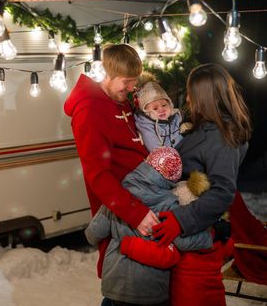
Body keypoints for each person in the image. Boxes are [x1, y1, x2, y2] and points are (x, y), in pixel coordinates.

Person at [151, 63, 252, 306]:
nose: (187, 98)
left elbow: (222, 191)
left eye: (191, 93)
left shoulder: (220, 137)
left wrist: (180, 220)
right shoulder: (203, 130)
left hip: (197, 245)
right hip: (189, 244)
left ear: (203, 97)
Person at [64, 44, 159, 282]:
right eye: (126, 81)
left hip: (144, 198)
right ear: (106, 74)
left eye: (134, 81)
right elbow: (97, 175)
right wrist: (135, 213)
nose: (131, 87)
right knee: (123, 280)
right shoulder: (88, 110)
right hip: (122, 213)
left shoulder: (118, 97)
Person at [84, 146, 213, 306]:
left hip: (116, 285)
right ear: (173, 180)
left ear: (147, 162)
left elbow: (93, 233)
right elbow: (183, 241)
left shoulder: (120, 195)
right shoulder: (169, 206)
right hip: (150, 289)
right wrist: (209, 236)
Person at [135, 81, 183, 152]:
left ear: (170, 104)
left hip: (183, 150)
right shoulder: (146, 125)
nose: (161, 110)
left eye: (164, 105)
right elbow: (154, 147)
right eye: (155, 108)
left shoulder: (176, 116)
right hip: (164, 157)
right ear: (146, 112)